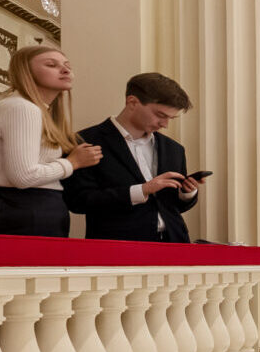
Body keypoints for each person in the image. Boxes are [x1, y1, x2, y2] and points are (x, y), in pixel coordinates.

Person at [0, 46, 105, 236]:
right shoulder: (22, 108)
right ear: (26, 72)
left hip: (38, 209)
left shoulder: (34, 109)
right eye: (51, 65)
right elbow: (24, 177)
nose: (65, 70)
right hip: (32, 211)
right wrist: (73, 163)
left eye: (67, 65)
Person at [64, 73, 202, 242]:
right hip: (117, 247)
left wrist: (186, 193)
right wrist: (141, 190)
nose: (165, 124)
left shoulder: (174, 149)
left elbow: (171, 207)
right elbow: (78, 201)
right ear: (132, 102)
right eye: (161, 115)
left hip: (174, 243)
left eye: (171, 118)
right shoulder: (85, 141)